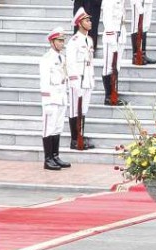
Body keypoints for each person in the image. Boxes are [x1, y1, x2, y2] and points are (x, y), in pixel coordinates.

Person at [39, 29, 71, 171]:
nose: (62, 43)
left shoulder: (62, 58)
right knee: (48, 128)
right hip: (51, 98)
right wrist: (47, 100)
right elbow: (45, 81)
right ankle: (48, 159)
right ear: (52, 42)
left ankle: (55, 156)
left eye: (63, 40)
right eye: (59, 40)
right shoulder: (47, 59)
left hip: (61, 97)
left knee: (57, 127)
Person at [65, 9, 95, 151]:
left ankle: (81, 136)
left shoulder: (89, 40)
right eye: (86, 20)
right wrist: (74, 82)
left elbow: (90, 61)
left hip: (87, 79)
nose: (90, 22)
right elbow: (70, 64)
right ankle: (74, 139)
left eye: (89, 20)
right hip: (77, 81)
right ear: (79, 23)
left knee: (83, 110)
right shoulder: (74, 41)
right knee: (74, 110)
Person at [101, 0, 128, 105]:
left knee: (116, 66)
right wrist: (112, 40)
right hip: (111, 36)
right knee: (108, 66)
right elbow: (107, 20)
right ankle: (108, 96)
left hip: (120, 34)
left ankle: (114, 93)